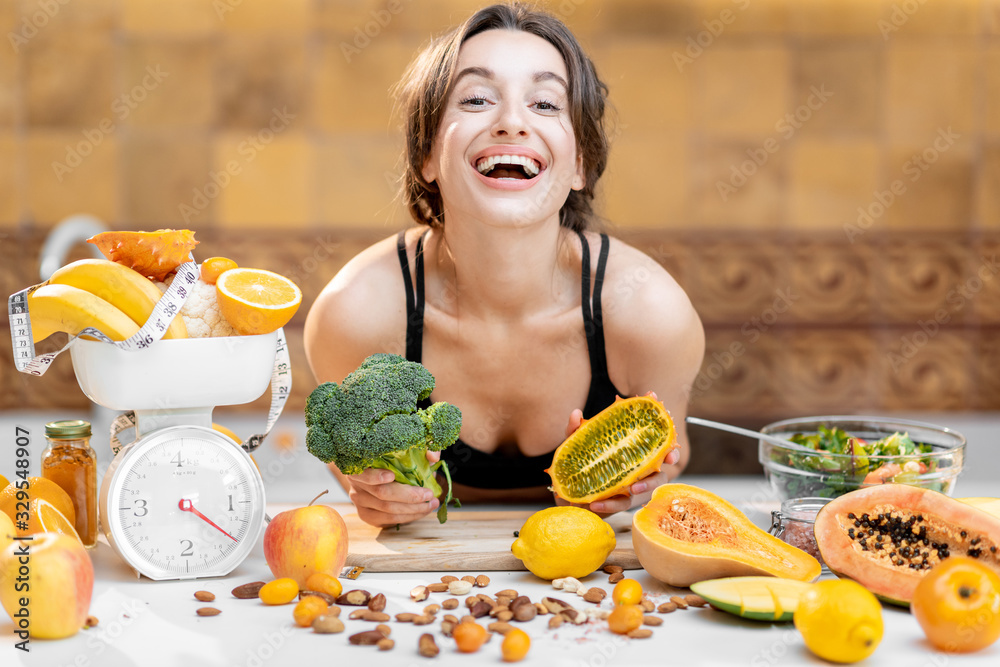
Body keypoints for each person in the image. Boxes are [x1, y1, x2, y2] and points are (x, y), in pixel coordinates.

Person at [304, 2, 705, 528]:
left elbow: (674, 457)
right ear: (426, 154)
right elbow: (354, 469)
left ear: (580, 161)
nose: (512, 122)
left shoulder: (651, 315)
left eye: (544, 103)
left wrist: (643, 484)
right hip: (432, 582)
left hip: (583, 577)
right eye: (475, 98)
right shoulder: (356, 313)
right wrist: (377, 493)